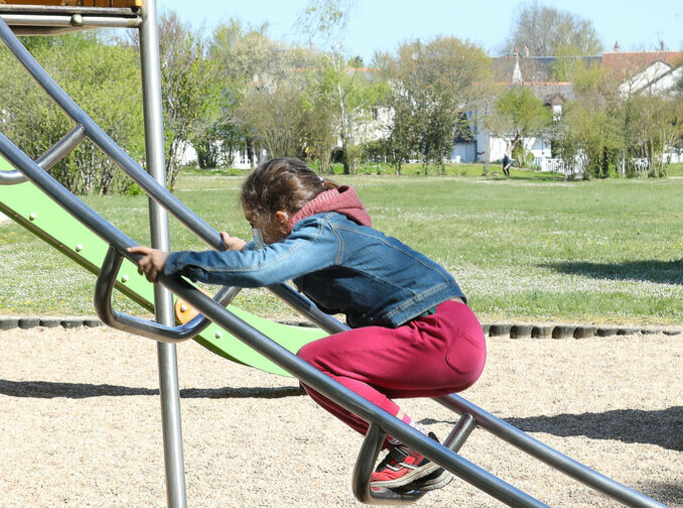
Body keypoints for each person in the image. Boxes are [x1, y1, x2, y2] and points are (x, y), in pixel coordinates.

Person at [129, 157, 484, 494]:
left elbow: (263, 267)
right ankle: (410, 447)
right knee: (318, 373)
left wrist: (176, 262)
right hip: (448, 333)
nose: (258, 236)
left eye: (258, 227)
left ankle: (410, 446)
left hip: (439, 334)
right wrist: (244, 252)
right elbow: (278, 261)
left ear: (283, 219)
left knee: (314, 363)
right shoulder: (329, 228)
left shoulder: (324, 230)